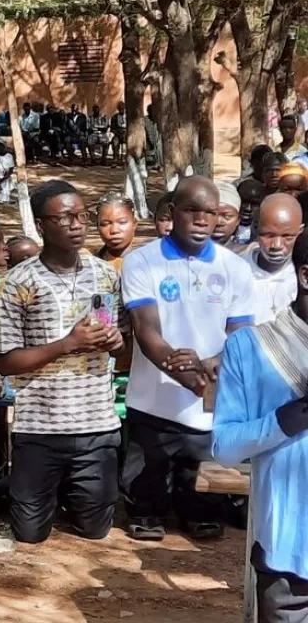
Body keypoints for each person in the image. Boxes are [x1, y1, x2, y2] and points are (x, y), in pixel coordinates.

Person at [122, 176, 255, 540]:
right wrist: (186, 373)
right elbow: (146, 330)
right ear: (172, 212)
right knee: (146, 482)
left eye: (210, 212)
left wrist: (213, 363)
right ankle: (146, 511)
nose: (201, 220)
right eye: (191, 210)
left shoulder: (235, 268)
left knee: (200, 485)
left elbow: (240, 332)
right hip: (155, 399)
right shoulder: (142, 262)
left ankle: (197, 512)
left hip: (207, 399)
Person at [0, 180, 125, 544]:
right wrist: (67, 343)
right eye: (64, 218)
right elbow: (5, 362)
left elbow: (117, 341)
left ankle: (66, 489)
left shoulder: (106, 275)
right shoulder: (15, 283)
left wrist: (114, 340)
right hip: (40, 426)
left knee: (96, 530)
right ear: (40, 225)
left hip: (96, 422)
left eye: (82, 216)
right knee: (30, 534)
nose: (77, 224)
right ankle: (14, 484)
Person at [212, 224, 308, 622]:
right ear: (305, 275)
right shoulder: (250, 347)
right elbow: (225, 446)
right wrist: (285, 420)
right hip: (290, 551)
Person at [241, 193, 302, 324]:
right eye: (269, 236)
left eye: (287, 237)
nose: (277, 245)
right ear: (256, 228)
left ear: (300, 232)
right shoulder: (237, 269)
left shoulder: (301, 277)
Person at [94, 193, 137, 269]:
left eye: (122, 222)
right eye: (105, 224)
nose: (114, 230)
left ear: (134, 224)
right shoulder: (89, 265)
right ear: (97, 227)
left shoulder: (149, 262)